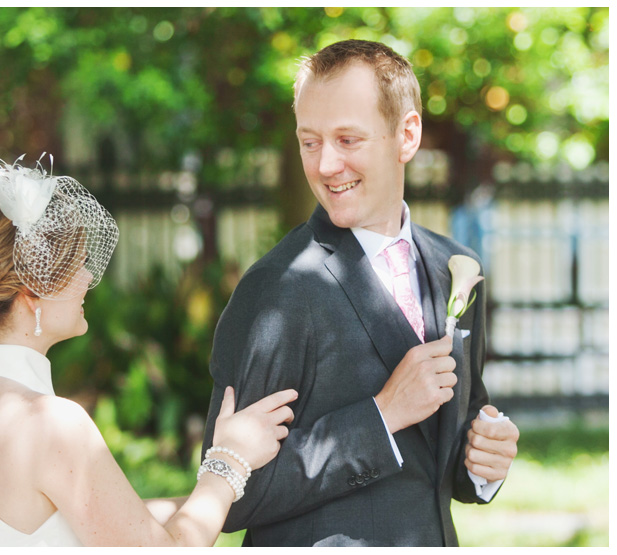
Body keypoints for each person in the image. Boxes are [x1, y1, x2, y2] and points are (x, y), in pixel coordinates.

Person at [201, 39, 519, 547]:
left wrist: (484, 460)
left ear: (406, 135)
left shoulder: (456, 269)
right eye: (310, 141)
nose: (326, 165)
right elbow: (234, 494)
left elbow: (443, 452)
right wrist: (383, 415)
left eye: (348, 140)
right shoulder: (277, 289)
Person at [0, 145, 297, 547]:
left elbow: (86, 523)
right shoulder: (51, 423)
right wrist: (228, 462)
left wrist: (235, 502)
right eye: (73, 265)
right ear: (31, 290)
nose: (85, 277)